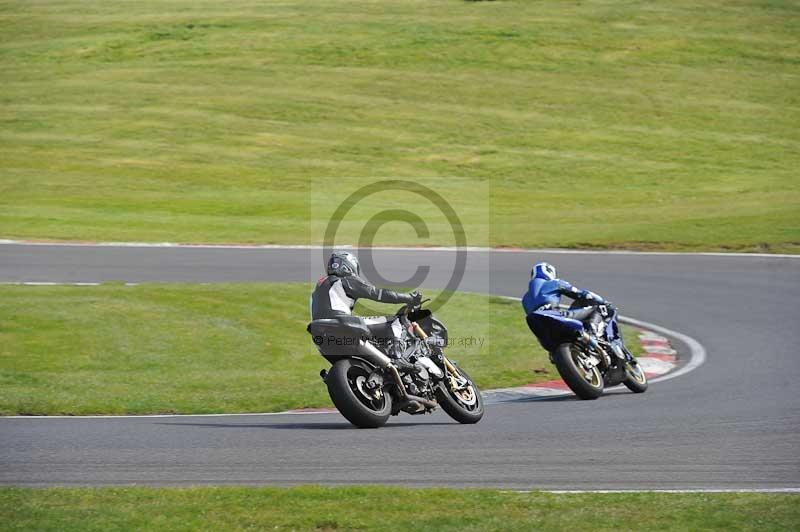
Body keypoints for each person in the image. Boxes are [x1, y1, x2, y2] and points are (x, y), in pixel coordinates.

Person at [311, 250, 422, 358]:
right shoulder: (345, 280)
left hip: (319, 334)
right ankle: (398, 357)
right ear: (348, 265)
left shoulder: (318, 289)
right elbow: (378, 294)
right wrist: (409, 298)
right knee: (396, 321)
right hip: (342, 323)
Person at [521, 262, 607, 338]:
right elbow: (580, 294)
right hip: (555, 317)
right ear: (550, 272)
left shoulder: (525, 299)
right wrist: (599, 299)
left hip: (539, 330)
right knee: (596, 309)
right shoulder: (555, 282)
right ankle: (593, 333)